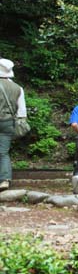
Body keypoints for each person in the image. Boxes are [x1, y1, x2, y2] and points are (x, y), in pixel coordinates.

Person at [0, 59, 27, 191]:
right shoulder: (18, 88)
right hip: (7, 123)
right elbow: (22, 111)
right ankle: (5, 179)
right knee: (3, 152)